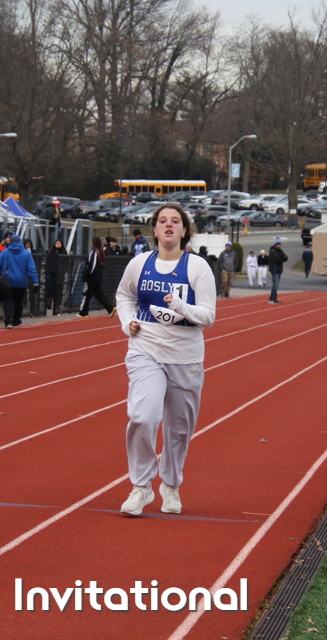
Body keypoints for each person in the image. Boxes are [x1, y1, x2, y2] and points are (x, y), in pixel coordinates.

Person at [115, 203, 217, 515]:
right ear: (155, 229)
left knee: (179, 428)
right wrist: (128, 322)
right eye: (162, 221)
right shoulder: (139, 263)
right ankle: (141, 486)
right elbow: (124, 296)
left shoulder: (198, 267)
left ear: (184, 230)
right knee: (143, 416)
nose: (168, 225)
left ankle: (170, 485)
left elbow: (208, 316)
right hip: (145, 349)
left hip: (185, 356)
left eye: (175, 221)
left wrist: (181, 307)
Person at [0, 234, 38, 329]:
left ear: (11, 241)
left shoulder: (5, 252)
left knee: (8, 301)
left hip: (7, 280)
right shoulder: (26, 253)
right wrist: (35, 281)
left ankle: (8, 320)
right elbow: (31, 268)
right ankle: (16, 319)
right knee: (18, 301)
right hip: (21, 282)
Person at [78, 236, 116, 318]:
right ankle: (110, 308)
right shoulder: (100, 252)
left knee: (87, 294)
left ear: (94, 243)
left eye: (91, 242)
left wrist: (86, 273)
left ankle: (84, 312)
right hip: (97, 277)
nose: (90, 243)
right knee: (98, 294)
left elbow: (92, 265)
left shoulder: (94, 252)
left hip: (92, 277)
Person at [45, 238, 67, 315]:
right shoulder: (51, 253)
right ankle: (49, 302)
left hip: (60, 274)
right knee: (50, 287)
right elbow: (48, 262)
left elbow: (65, 263)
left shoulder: (64, 253)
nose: (57, 245)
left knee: (59, 289)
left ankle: (57, 306)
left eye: (59, 243)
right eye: (56, 243)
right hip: (52, 273)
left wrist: (63, 270)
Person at [268, 238, 287, 304]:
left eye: (280, 244)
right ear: (275, 244)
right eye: (278, 244)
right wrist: (282, 259)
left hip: (279, 270)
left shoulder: (280, 251)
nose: (279, 245)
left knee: (275, 284)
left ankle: (271, 298)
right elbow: (277, 259)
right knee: (276, 284)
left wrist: (282, 258)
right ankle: (273, 299)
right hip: (275, 269)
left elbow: (286, 257)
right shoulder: (273, 251)